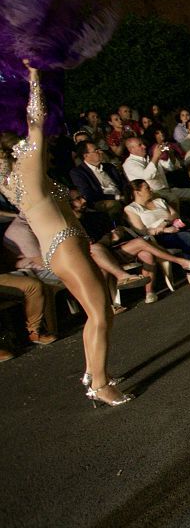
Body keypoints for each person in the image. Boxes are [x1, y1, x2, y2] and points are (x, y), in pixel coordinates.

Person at [0, 63, 131, 406]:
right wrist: (34, 78)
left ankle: (93, 372)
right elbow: (37, 122)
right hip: (65, 248)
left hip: (65, 247)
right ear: (16, 148)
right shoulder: (26, 170)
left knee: (97, 311)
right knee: (101, 313)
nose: (41, 146)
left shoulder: (13, 182)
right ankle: (100, 385)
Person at [123, 180, 190, 284]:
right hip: (157, 237)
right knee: (187, 237)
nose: (151, 189)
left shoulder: (158, 201)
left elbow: (174, 214)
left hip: (174, 227)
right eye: (147, 188)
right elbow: (142, 232)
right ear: (137, 192)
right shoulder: (131, 209)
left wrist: (165, 222)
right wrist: (164, 230)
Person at [122, 136, 190, 223]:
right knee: (173, 198)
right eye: (140, 145)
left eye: (143, 144)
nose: (144, 146)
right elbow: (147, 176)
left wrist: (170, 154)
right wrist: (155, 157)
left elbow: (170, 167)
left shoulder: (148, 158)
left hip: (167, 190)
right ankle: (178, 225)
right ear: (131, 149)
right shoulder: (129, 164)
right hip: (153, 194)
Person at [69, 141, 128, 220]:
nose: (101, 152)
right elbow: (88, 194)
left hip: (121, 195)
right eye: (96, 150)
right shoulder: (78, 172)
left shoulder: (109, 167)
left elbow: (122, 183)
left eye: (99, 149)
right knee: (114, 205)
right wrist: (117, 197)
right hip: (100, 200)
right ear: (86, 155)